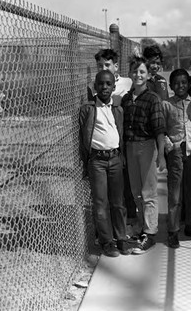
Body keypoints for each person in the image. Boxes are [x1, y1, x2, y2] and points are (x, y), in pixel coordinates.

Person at [78, 70, 133, 257]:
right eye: (100, 84)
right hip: (97, 161)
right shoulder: (88, 109)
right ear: (95, 86)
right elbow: (82, 136)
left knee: (118, 202)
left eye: (108, 84)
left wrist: (121, 157)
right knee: (101, 203)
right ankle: (106, 241)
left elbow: (121, 133)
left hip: (115, 159)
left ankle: (121, 238)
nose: (104, 87)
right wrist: (86, 160)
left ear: (113, 87)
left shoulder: (117, 110)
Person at [121, 55, 166, 254]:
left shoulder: (153, 98)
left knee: (149, 193)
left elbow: (159, 129)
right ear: (130, 73)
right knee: (136, 191)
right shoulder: (126, 99)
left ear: (148, 75)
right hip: (130, 147)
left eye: (142, 72)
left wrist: (162, 155)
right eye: (135, 71)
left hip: (147, 146)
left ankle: (150, 232)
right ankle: (142, 226)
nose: (138, 75)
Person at [90, 49, 136, 234]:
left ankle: (127, 226)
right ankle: (105, 233)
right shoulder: (96, 86)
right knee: (103, 197)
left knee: (124, 191)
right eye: (100, 65)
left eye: (107, 65)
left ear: (116, 66)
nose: (103, 68)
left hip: (124, 140)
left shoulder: (128, 83)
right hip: (103, 146)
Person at [162, 69, 191, 248]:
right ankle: (172, 230)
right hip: (176, 151)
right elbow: (161, 129)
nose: (181, 86)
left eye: (184, 82)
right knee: (175, 193)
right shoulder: (166, 105)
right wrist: (169, 146)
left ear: (189, 84)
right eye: (177, 83)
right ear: (171, 86)